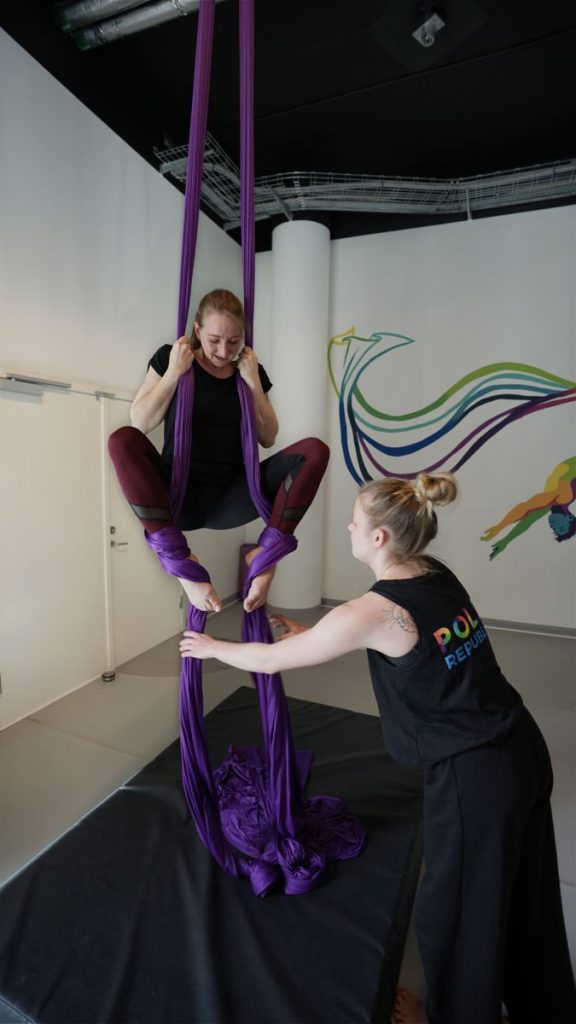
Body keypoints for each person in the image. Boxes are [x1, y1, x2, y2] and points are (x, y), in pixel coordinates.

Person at [180, 472, 576, 1024]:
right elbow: (398, 643)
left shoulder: (368, 610)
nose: (348, 526)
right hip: (521, 746)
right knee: (526, 900)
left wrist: (210, 647)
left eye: (355, 521)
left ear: (379, 539)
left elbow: (268, 661)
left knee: (453, 917)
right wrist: (306, 631)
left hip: (476, 776)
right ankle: (544, 1007)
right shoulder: (434, 575)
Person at [108, 289, 329, 613]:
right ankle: (182, 564)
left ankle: (266, 556)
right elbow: (140, 421)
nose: (224, 351)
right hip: (178, 493)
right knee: (121, 440)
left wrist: (253, 383)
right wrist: (173, 372)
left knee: (315, 450)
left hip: (234, 495)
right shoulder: (170, 358)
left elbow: (268, 437)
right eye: (214, 340)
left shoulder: (250, 371)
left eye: (234, 341)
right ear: (197, 331)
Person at [480, 455, 576, 558]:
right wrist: (499, 527)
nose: (553, 526)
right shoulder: (564, 497)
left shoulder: (553, 503)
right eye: (560, 527)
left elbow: (527, 521)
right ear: (569, 517)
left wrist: (506, 540)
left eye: (554, 529)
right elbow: (525, 507)